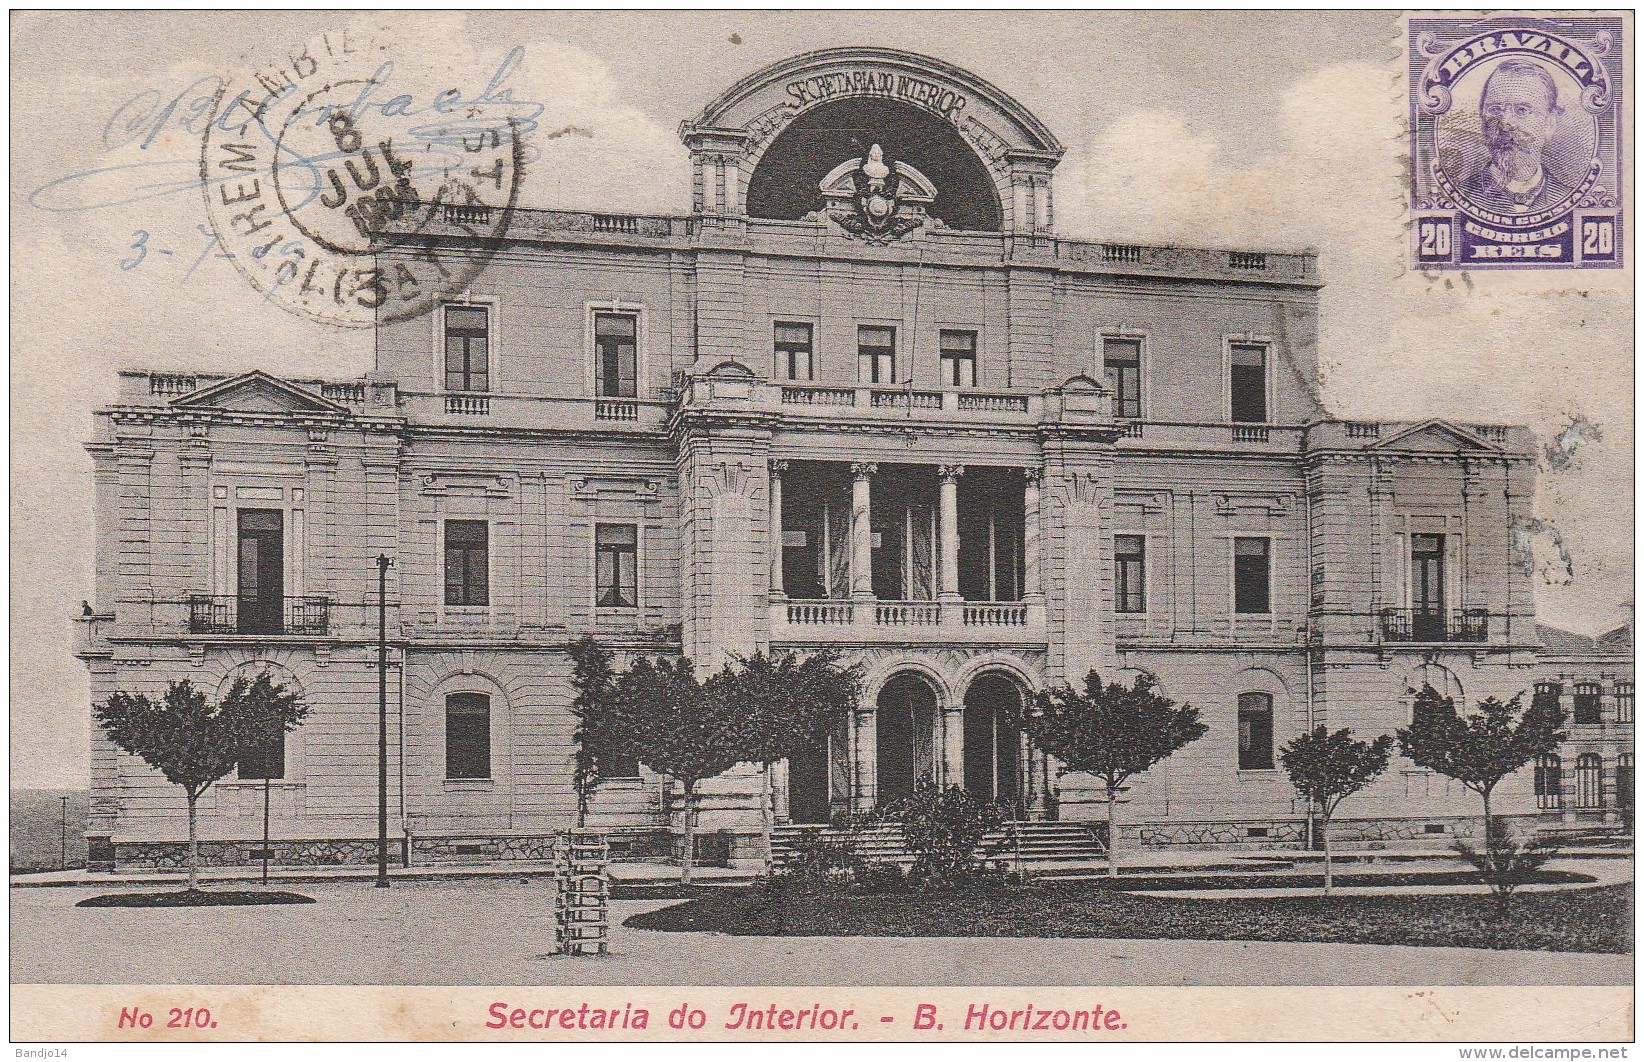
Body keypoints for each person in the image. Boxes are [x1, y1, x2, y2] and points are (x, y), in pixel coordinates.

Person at [1459, 58, 1573, 214]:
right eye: (1495, 109)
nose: (1505, 123)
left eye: (1521, 110)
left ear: (1549, 124)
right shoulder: (1458, 197)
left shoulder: (1569, 198)